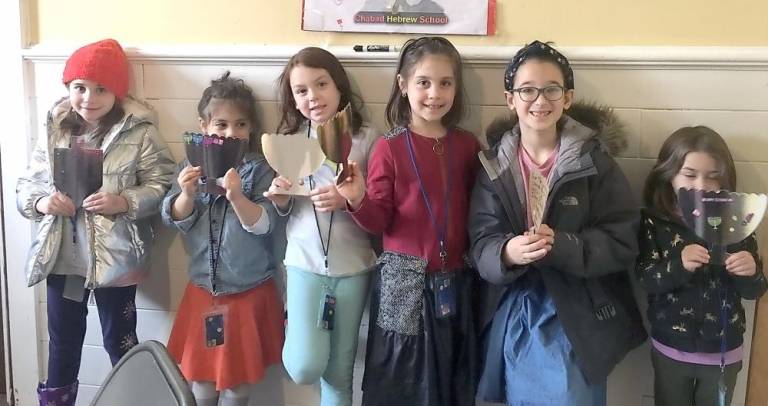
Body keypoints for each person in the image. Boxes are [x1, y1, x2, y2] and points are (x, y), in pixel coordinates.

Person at [469, 40, 646, 405]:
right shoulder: (493, 166)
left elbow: (623, 237)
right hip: (518, 307)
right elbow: (480, 241)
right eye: (527, 90)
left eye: (551, 89)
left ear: (567, 98)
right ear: (510, 99)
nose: (540, 100)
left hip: (576, 311)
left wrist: (564, 245)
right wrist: (507, 252)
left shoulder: (594, 161)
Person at [16, 38, 175, 405]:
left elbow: (161, 184)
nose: (88, 98)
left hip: (116, 260)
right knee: (63, 342)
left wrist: (123, 201)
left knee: (120, 340)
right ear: (68, 88)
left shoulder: (140, 131)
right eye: (79, 88)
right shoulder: (55, 129)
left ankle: (134, 398)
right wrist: (41, 202)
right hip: (63, 260)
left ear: (118, 91)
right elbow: (29, 184)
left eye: (101, 88)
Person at [335, 36, 479, 406]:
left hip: (456, 281)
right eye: (424, 83)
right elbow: (378, 218)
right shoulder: (390, 147)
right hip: (403, 283)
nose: (435, 93)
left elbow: (480, 210)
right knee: (403, 385)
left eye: (445, 83)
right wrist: (356, 198)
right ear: (403, 85)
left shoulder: (467, 145)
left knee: (450, 378)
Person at [162, 72, 285, 406]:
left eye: (241, 125)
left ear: (251, 129)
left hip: (248, 293)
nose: (231, 133)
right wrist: (186, 194)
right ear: (204, 126)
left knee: (238, 387)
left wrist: (237, 197)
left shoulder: (260, 169)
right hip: (204, 292)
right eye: (221, 125)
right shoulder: (190, 165)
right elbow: (177, 220)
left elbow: (265, 225)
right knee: (200, 382)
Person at [265, 47, 379, 406]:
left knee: (339, 372)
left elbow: (378, 208)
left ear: (339, 86)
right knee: (304, 365)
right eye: (301, 90)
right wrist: (280, 198)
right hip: (304, 263)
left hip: (354, 265)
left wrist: (348, 201)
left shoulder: (368, 139)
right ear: (292, 98)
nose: (312, 96)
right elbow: (283, 209)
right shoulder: (292, 141)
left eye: (321, 84)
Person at [637, 125, 767, 406]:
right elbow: (646, 279)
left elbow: (754, 291)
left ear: (725, 179)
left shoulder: (738, 221)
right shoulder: (655, 222)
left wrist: (751, 272)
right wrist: (680, 264)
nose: (701, 185)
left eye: (712, 176)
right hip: (671, 347)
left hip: (723, 350)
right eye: (689, 174)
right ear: (669, 174)